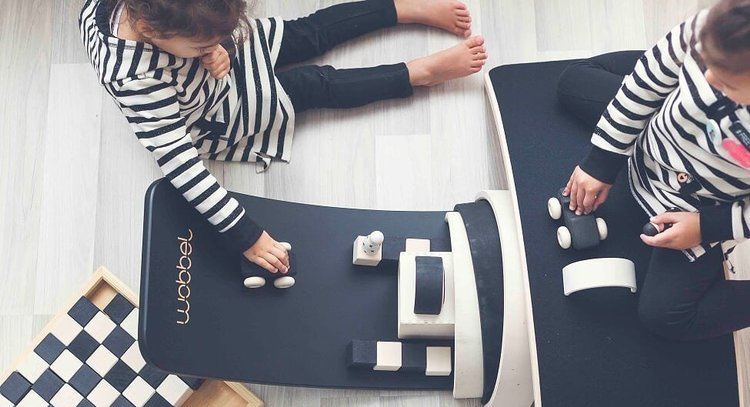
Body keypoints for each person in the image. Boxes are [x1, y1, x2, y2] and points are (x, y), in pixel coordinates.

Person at [79, 0, 487, 274]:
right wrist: (247, 235)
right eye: (203, 41)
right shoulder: (137, 81)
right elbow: (181, 165)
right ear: (148, 29)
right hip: (216, 113)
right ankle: (417, 74)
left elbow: (204, 36)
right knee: (313, 85)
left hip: (210, 63)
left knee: (306, 32)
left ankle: (400, 7)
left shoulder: (175, 19)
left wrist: (216, 48)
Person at [556, 0, 750, 340]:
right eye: (705, 62)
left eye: (724, 81)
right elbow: (644, 84)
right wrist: (602, 160)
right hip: (651, 137)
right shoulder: (718, 25)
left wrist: (706, 226)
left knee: (665, 318)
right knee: (572, 83)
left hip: (698, 206)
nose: (706, 78)